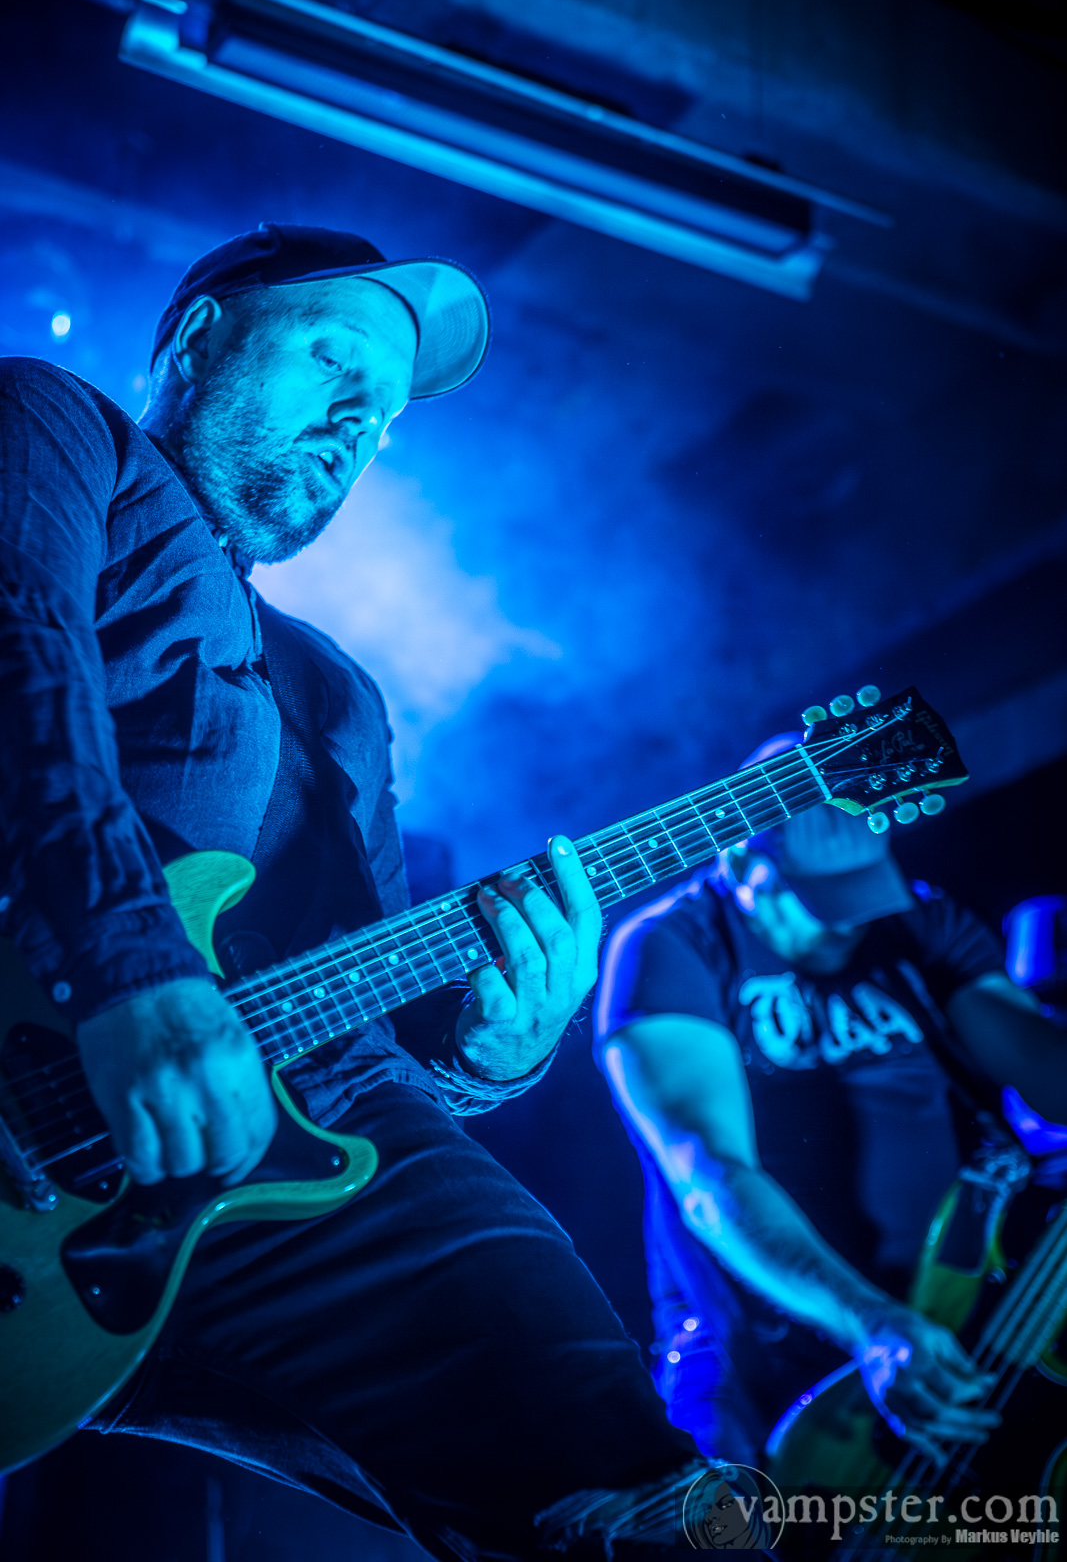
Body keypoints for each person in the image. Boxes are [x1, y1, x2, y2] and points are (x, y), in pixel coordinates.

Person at [0, 223, 714, 1561]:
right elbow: (18, 647)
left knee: (627, 1496)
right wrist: (132, 968)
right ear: (198, 338)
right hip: (41, 1061)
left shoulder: (340, 695)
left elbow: (367, 1011)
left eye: (382, 418)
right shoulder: (54, 424)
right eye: (333, 359)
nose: (356, 424)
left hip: (275, 1174)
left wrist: (494, 1050)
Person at [595, 730, 1067, 1471]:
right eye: (820, 902)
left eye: (862, 893)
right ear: (741, 864)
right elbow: (711, 1175)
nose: (849, 924)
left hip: (955, 1308)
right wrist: (871, 1324)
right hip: (760, 1342)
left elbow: (1038, 1061)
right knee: (718, 1521)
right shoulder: (671, 945)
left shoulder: (914, 921)